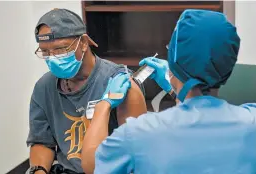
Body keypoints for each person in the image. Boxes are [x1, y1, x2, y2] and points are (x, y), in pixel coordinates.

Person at [82, 9, 256, 174]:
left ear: (174, 61)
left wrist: (103, 106)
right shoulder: (251, 121)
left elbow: (93, 166)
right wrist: (175, 90)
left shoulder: (138, 134)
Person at [26, 8, 147, 174]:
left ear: (83, 43)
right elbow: (42, 141)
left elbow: (135, 155)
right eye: (45, 52)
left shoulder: (119, 84)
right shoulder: (44, 87)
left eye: (60, 49)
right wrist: (38, 171)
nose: (53, 58)